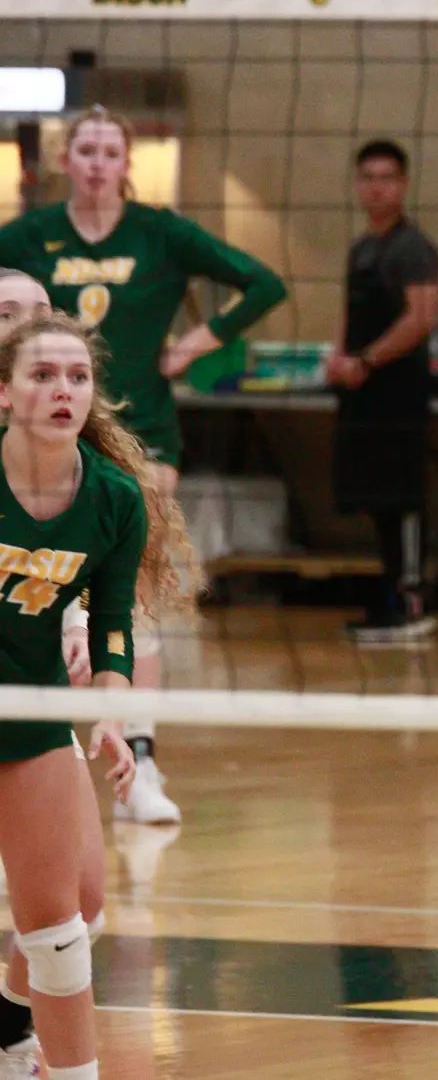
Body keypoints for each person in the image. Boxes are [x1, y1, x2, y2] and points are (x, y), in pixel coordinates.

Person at [0, 105, 287, 823]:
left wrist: (198, 341)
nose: (97, 163)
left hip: (140, 433)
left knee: (127, 599)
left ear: (127, 163)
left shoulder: (160, 231)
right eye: (86, 150)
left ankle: (141, 762)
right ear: (68, 161)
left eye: (110, 151)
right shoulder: (29, 238)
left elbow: (264, 283)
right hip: (28, 429)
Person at [0, 308, 199, 1080]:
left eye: (77, 377)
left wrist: (111, 716)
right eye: (42, 375)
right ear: (6, 394)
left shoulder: (114, 498)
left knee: (62, 930)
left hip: (34, 712)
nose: (63, 390)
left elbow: (114, 627)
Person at [324, 140, 438, 644]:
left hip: (399, 393)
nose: (377, 187)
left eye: (387, 177)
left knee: (403, 498)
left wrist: (367, 361)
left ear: (404, 183)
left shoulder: (413, 248)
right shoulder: (361, 247)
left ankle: (412, 602)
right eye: (368, 177)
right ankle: (389, 599)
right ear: (357, 184)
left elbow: (421, 318)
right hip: (361, 395)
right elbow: (350, 315)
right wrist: (336, 356)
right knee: (375, 502)